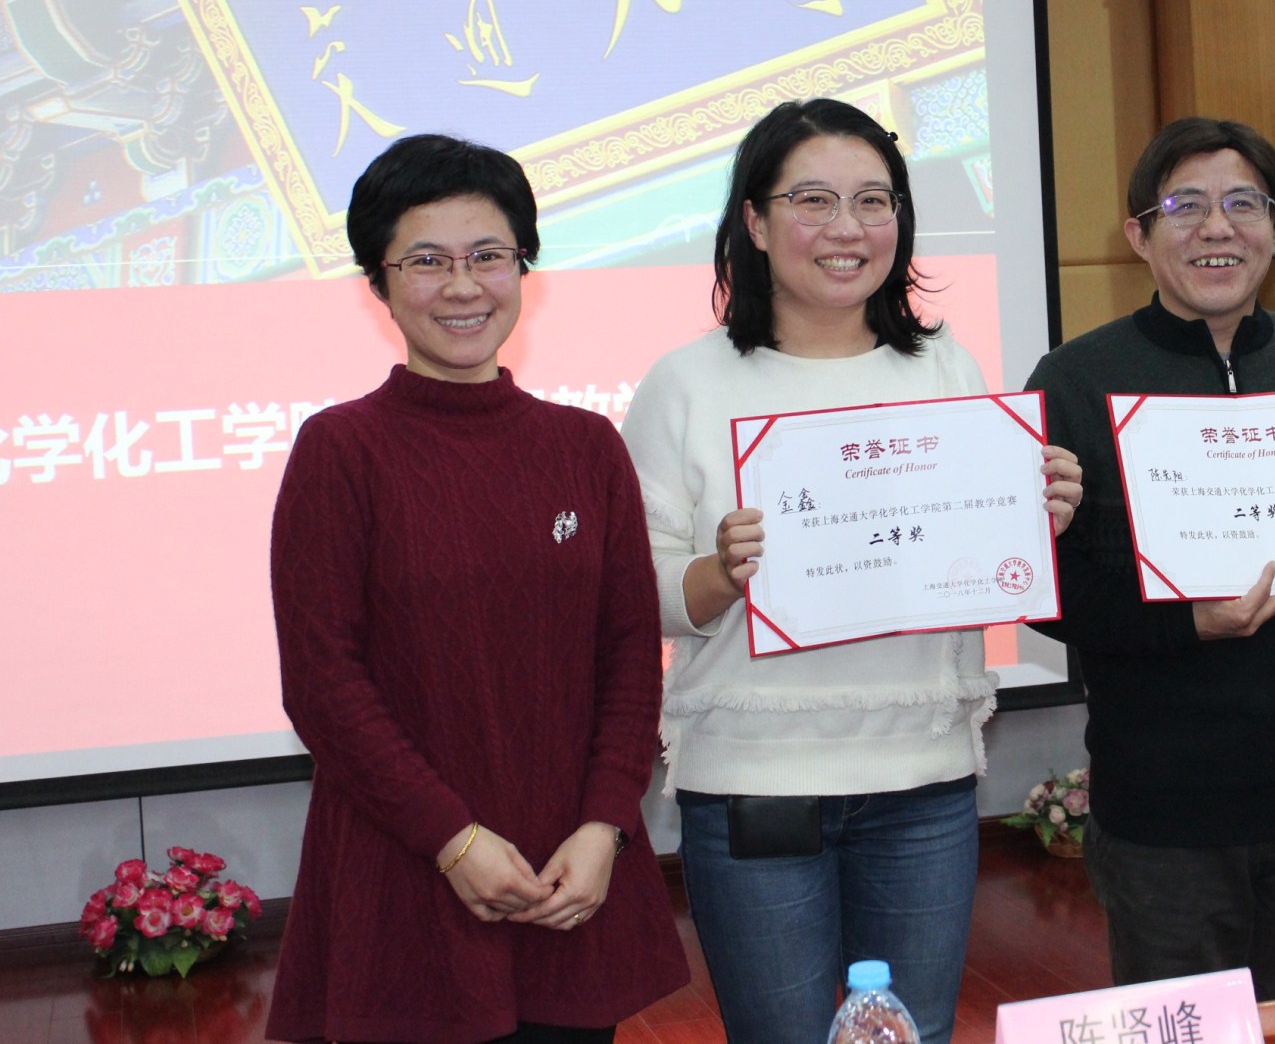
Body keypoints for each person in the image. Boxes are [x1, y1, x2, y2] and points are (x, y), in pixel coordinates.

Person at [619, 98, 1082, 1044]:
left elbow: (974, 552)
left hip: (922, 779)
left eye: (874, 200)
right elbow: (636, 593)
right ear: (754, 222)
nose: (847, 228)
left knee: (916, 1035)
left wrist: (1038, 517)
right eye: (813, 200)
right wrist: (721, 573)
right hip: (756, 784)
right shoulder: (687, 382)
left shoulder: (946, 368)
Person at [267, 134, 688, 1043]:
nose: (463, 287)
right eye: (427, 261)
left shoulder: (585, 448)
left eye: (488, 256)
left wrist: (605, 828)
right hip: (402, 877)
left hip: (567, 880)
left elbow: (628, 657)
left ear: (522, 268)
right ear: (378, 283)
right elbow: (323, 684)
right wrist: (452, 840)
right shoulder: (340, 451)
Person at [1024, 116, 1275, 1002]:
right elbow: (1049, 592)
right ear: (1139, 235)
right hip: (1166, 813)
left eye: (1244, 204)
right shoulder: (1075, 379)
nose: (1218, 228)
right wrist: (1188, 625)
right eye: (1185, 207)